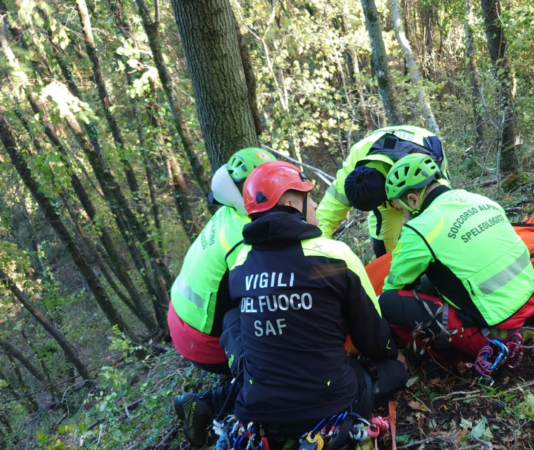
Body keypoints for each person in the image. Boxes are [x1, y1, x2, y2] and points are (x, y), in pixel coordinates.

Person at [174, 161, 407, 447]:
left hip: (260, 412)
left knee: (233, 317)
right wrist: (391, 354)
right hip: (330, 402)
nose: (317, 204)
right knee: (395, 372)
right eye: (311, 196)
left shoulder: (241, 263)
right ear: (291, 202)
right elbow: (372, 335)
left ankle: (219, 400)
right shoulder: (335, 255)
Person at [378, 154, 534, 372]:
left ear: (412, 200)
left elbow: (394, 287)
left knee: (387, 302)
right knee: (439, 275)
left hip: (498, 337)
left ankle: (448, 359)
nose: (404, 215)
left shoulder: (419, 229)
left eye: (401, 209)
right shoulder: (480, 200)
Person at [167, 148, 275, 375]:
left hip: (183, 321)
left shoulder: (231, 212)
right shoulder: (247, 237)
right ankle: (247, 382)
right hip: (203, 343)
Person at [317, 125, 449, 258]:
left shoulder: (418, 166)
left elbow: (442, 205)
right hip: (374, 149)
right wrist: (317, 253)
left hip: (423, 141)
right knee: (383, 246)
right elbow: (324, 217)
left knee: (435, 228)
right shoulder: (350, 175)